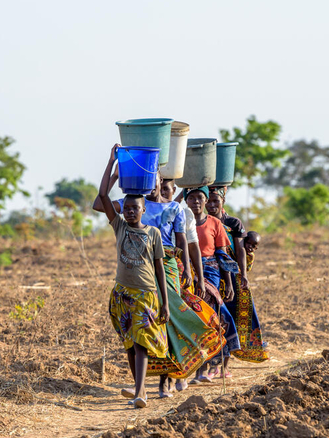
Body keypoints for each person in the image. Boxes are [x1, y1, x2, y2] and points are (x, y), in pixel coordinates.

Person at [94, 169, 224, 398]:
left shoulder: (175, 208)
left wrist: (187, 270)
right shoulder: (132, 204)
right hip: (138, 268)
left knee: (168, 321)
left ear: (160, 179)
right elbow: (99, 203)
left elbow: (182, 240)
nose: (151, 182)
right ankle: (141, 386)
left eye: (154, 177)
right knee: (138, 330)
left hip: (168, 265)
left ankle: (168, 379)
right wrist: (115, 172)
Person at [98, 144, 169, 408]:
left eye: (133, 209)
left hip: (146, 295)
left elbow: (160, 269)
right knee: (130, 344)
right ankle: (140, 389)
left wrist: (165, 303)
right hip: (122, 294)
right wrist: (111, 168)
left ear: (142, 211)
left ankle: (140, 391)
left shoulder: (153, 234)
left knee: (140, 345)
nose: (128, 212)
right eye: (125, 208)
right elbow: (102, 197)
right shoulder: (118, 227)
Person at [184, 186, 240, 384]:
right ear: (186, 201)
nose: (196, 202)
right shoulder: (180, 222)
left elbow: (222, 255)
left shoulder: (215, 223)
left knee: (211, 313)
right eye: (192, 198)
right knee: (194, 317)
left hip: (211, 271)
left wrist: (229, 283)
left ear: (206, 201)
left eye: (200, 198)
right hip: (186, 272)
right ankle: (198, 369)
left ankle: (210, 366)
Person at [207, 188, 270, 364]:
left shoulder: (233, 223)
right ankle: (215, 360)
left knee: (239, 313)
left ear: (223, 201)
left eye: (215, 201)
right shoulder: (201, 222)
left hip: (232, 277)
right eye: (208, 201)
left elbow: (240, 251)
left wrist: (243, 276)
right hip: (211, 275)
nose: (211, 205)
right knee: (215, 317)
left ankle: (238, 355)